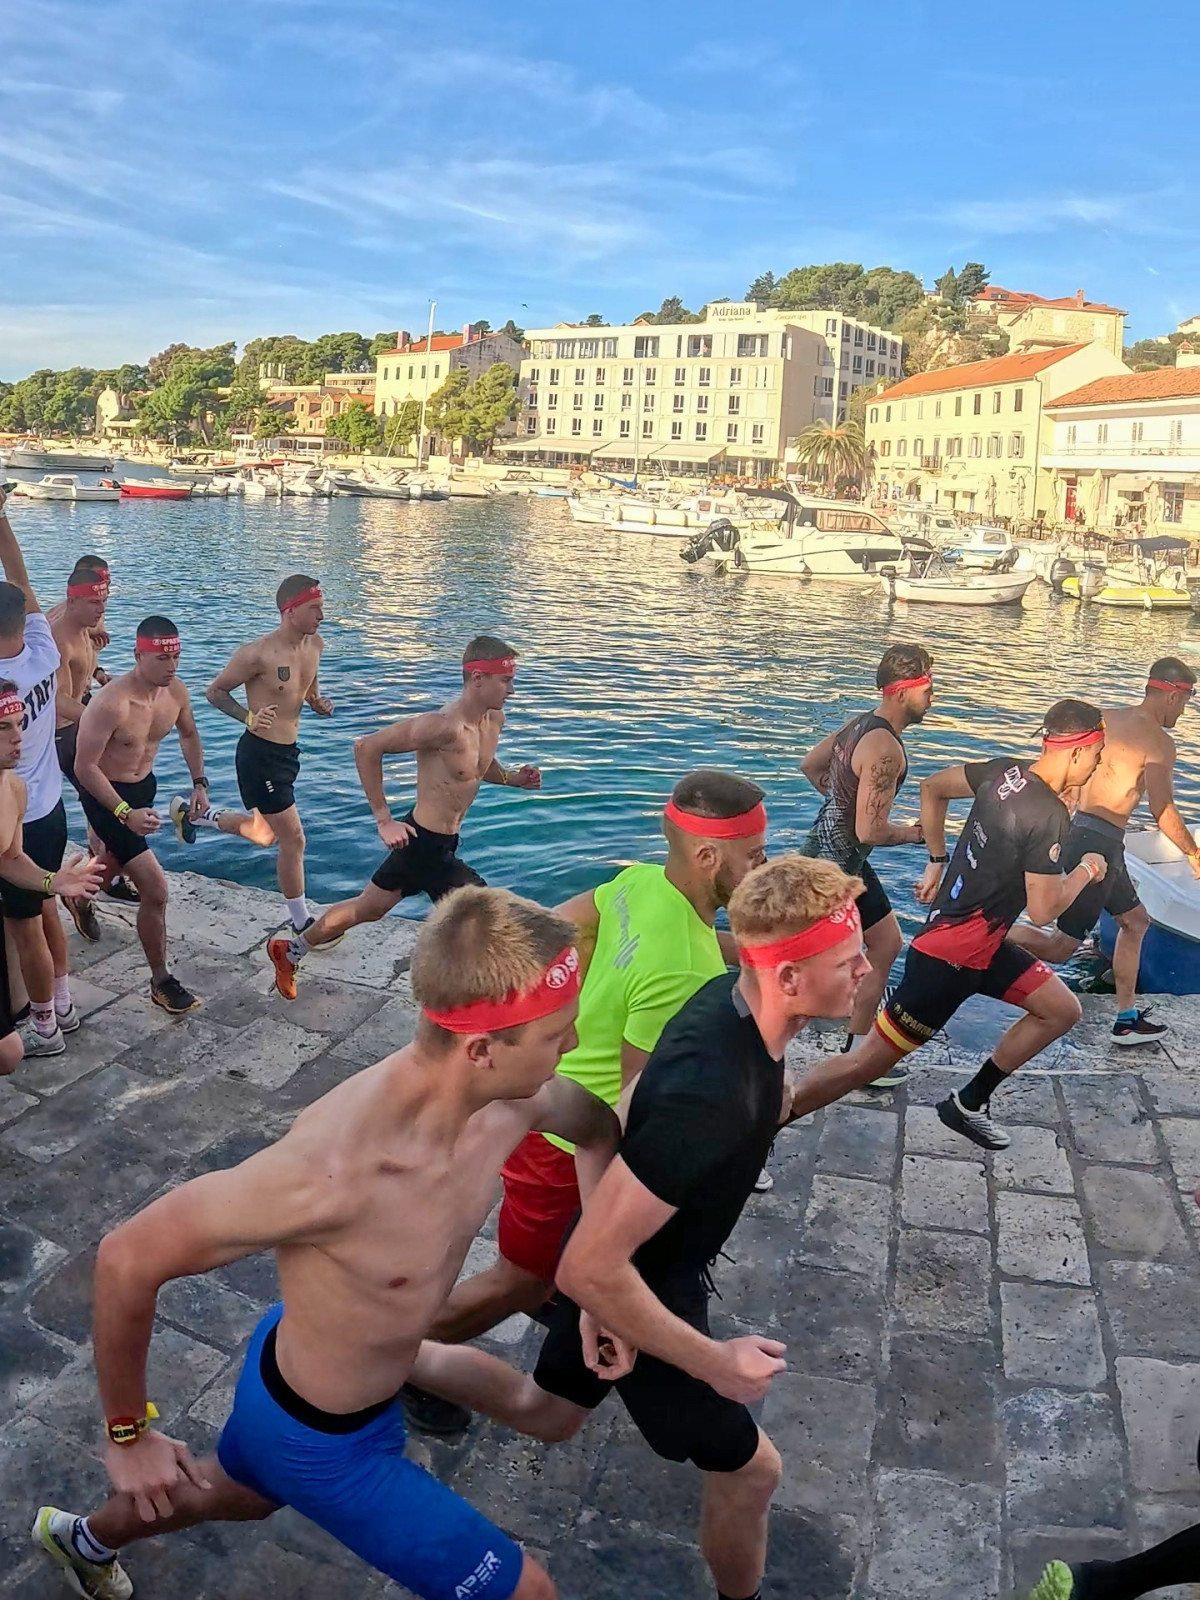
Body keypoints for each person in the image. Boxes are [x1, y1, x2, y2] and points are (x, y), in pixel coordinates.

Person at [32, 885, 620, 1600]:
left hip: (322, 1363)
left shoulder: (517, 1100)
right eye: (558, 1037)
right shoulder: (330, 1174)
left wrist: (597, 1276)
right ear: (482, 1049)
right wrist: (128, 1435)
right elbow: (127, 1257)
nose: (574, 1047)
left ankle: (81, 1540)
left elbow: (599, 1132)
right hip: (318, 1438)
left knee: (245, 1494)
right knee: (529, 1592)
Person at [406, 855, 871, 1600]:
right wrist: (712, 1362)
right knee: (753, 1472)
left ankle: (388, 1351)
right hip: (645, 1285)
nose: (867, 971)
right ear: (788, 978)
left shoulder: (725, 999)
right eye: (850, 961)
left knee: (549, 1413)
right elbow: (592, 1265)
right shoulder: (709, 1097)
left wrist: (595, 1289)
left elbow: (625, 1105)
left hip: (619, 1258)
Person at [408, 770, 769, 1436]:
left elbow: (558, 929)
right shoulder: (688, 971)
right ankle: (403, 1356)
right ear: (708, 857)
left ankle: (551, 1283)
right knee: (518, 1277)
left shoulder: (640, 883)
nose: (762, 867)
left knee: (539, 1268)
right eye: (755, 855)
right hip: (563, 1145)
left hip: (545, 1095)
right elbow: (633, 1110)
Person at [783, 700, 1110, 1152]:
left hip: (982, 947)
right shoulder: (1048, 812)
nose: (1097, 765)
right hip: (948, 961)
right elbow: (1043, 909)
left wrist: (936, 858)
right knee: (863, 1067)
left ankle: (970, 1102)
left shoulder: (1003, 771)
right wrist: (1089, 869)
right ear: (1078, 750)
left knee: (1061, 1010)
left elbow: (933, 787)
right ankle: (767, 1127)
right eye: (1097, 755)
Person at [266, 634, 540, 1000]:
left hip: (438, 842)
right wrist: (384, 819)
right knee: (485, 915)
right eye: (506, 681)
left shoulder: (494, 720)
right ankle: (482, 1004)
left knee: (369, 908)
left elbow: (478, 766)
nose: (513, 690)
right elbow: (366, 747)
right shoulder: (442, 726)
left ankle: (290, 951)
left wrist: (512, 779)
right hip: (423, 845)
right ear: (478, 678)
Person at [1009, 659, 1199, 1045]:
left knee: (1136, 922)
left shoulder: (1104, 720)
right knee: (1060, 947)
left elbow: (1070, 783)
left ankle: (1126, 1019)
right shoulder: (1160, 744)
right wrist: (1193, 853)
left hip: (1082, 832)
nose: (1183, 711)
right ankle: (979, 936)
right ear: (1172, 695)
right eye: (1186, 701)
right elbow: (1162, 810)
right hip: (1100, 845)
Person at [800, 643, 931, 1081]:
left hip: (832, 859)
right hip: (834, 873)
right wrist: (915, 834)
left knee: (886, 944)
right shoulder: (886, 749)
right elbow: (870, 832)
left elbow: (810, 765)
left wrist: (843, 801)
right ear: (902, 692)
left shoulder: (858, 724)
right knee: (792, 960)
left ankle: (859, 1055)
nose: (933, 698)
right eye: (928, 689)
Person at [73, 617, 211, 1015]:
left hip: (142, 789)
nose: (172, 666)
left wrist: (199, 784)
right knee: (155, 890)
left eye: (176, 656)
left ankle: (78, 895)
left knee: (114, 862)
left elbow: (189, 734)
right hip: (105, 797)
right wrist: (123, 812)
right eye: (162, 658)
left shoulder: (176, 692)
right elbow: (84, 767)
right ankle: (161, 981)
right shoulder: (110, 702)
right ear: (138, 655)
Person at [196, 576, 334, 936]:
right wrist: (249, 718)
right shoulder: (257, 654)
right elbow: (215, 692)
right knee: (294, 839)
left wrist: (317, 702)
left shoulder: (316, 644)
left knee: (263, 834)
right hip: (259, 756)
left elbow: (307, 686)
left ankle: (200, 816)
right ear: (290, 611)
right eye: (315, 609)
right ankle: (302, 923)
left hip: (289, 754)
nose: (322, 616)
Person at [0, 490, 82, 1056]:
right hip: (50, 809)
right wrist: (2, 520)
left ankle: (45, 1026)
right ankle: (65, 1002)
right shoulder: (44, 653)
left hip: (13, 820)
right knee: (46, 902)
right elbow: (21, 582)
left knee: (24, 925)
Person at [0, 679, 105, 1074]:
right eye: (3, 727)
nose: (18, 737)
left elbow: (10, 859)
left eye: (20, 724)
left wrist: (52, 882)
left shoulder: (14, 789)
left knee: (8, 1054)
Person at [51, 561, 113, 943]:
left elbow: (83, 672)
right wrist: (99, 716)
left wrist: (101, 674)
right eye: (95, 601)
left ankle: (102, 878)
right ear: (73, 599)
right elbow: (57, 698)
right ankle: (81, 894)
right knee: (105, 805)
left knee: (106, 806)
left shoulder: (86, 626)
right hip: (60, 733)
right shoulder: (58, 634)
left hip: (78, 722)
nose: (101, 609)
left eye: (104, 600)